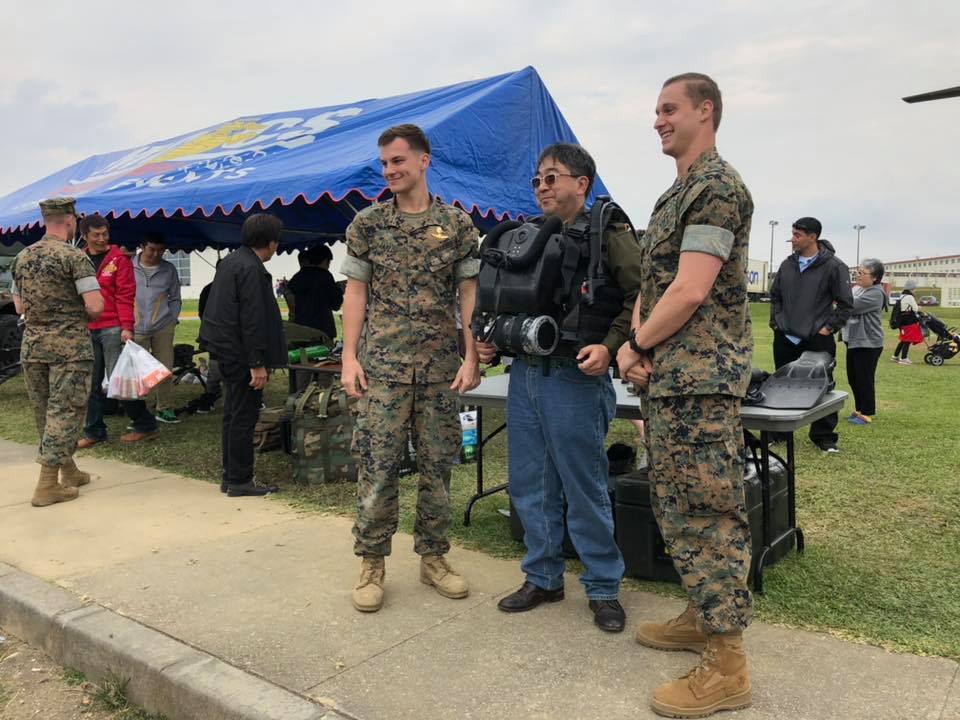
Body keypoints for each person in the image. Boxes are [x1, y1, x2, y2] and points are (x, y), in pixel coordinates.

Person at [616, 73, 754, 717]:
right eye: (656, 110)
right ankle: (703, 617)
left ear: (706, 111)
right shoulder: (675, 196)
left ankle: (727, 667)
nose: (657, 120)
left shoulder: (718, 189)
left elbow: (692, 289)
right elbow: (655, 282)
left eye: (668, 109)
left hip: (700, 382)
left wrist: (639, 343)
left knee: (707, 512)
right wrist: (632, 343)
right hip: (671, 381)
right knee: (675, 507)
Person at [475, 143, 641, 634]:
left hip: (577, 377)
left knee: (584, 486)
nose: (543, 187)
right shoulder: (526, 237)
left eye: (553, 177)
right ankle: (543, 577)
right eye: (538, 180)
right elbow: (504, 296)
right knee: (530, 484)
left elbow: (641, 295)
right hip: (526, 374)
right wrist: (491, 340)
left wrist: (612, 346)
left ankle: (604, 587)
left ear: (581, 184)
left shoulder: (608, 234)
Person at [340, 124, 481, 613]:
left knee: (438, 469)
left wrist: (471, 355)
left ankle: (434, 559)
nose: (389, 171)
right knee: (377, 469)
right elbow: (355, 294)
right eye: (384, 164)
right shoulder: (368, 225)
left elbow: (468, 296)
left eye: (398, 161)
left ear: (423, 161)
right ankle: (372, 564)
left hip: (441, 368)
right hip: (382, 368)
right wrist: (349, 356)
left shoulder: (458, 226)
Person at [10, 197, 103, 506]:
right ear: (71, 220)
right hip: (69, 348)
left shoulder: (22, 258)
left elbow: (19, 306)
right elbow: (94, 306)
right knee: (65, 411)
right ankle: (47, 485)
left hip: (33, 346)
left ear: (44, 220)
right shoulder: (74, 257)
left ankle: (70, 471)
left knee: (45, 410)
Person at [199, 214, 286, 497]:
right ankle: (239, 479)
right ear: (271, 242)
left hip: (225, 350)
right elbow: (252, 319)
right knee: (244, 416)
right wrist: (257, 362)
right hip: (240, 353)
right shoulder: (251, 269)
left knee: (233, 414)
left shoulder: (232, 262)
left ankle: (231, 476)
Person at [769, 217, 853, 454]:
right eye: (792, 234)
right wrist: (777, 322)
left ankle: (824, 437)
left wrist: (827, 328)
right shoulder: (787, 264)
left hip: (817, 338)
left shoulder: (835, 266)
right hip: (785, 337)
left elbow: (846, 305)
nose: (792, 239)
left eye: (797, 235)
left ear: (812, 237)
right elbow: (775, 297)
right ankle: (779, 432)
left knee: (822, 385)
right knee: (781, 385)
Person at [77, 214, 159, 447]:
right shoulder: (79, 259)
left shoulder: (118, 259)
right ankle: (94, 431)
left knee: (119, 380)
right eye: (96, 235)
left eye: (105, 234)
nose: (102, 239)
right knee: (90, 382)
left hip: (112, 327)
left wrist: (127, 328)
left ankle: (145, 424)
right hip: (87, 327)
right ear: (85, 236)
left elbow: (125, 295)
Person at [133, 232, 182, 424]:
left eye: (161, 251)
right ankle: (140, 410)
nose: (156, 254)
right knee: (139, 371)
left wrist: (172, 317)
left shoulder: (169, 269)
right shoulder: (128, 266)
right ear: (142, 247)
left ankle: (164, 408)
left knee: (164, 368)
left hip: (163, 326)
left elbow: (175, 297)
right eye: (152, 249)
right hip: (136, 328)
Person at [842, 259, 886, 424]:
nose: (858, 276)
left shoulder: (875, 293)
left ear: (874, 277)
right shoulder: (858, 289)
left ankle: (867, 413)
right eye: (857, 272)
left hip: (868, 343)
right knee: (854, 378)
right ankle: (859, 409)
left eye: (862, 273)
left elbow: (849, 306)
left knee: (864, 378)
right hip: (853, 341)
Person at [284, 244, 343, 340]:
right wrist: (339, 289)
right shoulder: (325, 276)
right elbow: (336, 304)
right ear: (325, 260)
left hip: (300, 329)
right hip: (322, 331)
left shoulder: (297, 277)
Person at [892, 287, 923, 364]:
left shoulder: (902, 296)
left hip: (900, 321)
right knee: (907, 340)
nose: (915, 291)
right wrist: (919, 307)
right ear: (911, 290)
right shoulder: (910, 297)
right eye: (914, 289)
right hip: (908, 321)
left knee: (903, 339)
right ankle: (903, 358)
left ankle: (895, 356)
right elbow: (915, 309)